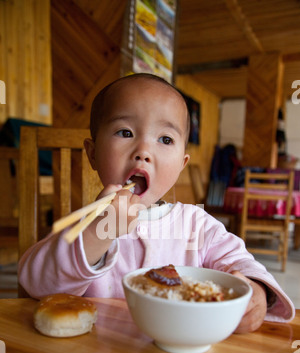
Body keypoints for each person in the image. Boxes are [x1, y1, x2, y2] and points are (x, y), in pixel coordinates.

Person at [19, 73, 295, 334]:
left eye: (165, 139)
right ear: (93, 154)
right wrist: (97, 234)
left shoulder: (197, 225)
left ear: (181, 165)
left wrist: (257, 292)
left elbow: (241, 263)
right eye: (125, 132)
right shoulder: (86, 225)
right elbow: (36, 284)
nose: (143, 152)